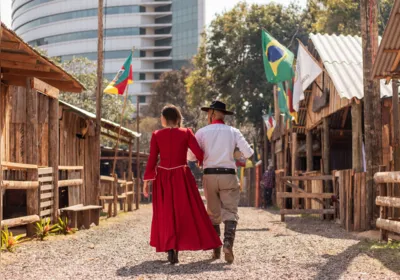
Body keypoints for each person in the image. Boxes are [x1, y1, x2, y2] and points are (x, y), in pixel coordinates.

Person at [143, 105, 222, 265]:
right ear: (178, 119)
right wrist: (202, 162)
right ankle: (212, 241)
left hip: (163, 176)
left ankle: (171, 250)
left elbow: (152, 159)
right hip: (182, 176)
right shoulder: (186, 133)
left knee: (166, 213)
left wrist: (146, 181)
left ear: (164, 119)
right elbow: (199, 154)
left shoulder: (156, 135)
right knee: (188, 211)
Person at [188, 100, 253, 264]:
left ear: (211, 114)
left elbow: (190, 156)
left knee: (213, 213)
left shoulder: (202, 132)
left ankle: (216, 248)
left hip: (209, 175)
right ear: (223, 114)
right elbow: (248, 153)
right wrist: (235, 154)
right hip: (228, 175)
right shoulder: (233, 131)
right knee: (230, 211)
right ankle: (228, 244)